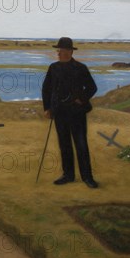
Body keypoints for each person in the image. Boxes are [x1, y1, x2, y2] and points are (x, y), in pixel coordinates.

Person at [42, 37, 98, 189]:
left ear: (71, 52)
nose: (61, 53)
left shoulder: (81, 68)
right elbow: (46, 89)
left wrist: (82, 98)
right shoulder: (53, 68)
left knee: (81, 144)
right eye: (59, 51)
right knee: (64, 145)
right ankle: (68, 175)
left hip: (77, 113)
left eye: (65, 51)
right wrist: (47, 108)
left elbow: (92, 87)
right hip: (59, 113)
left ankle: (87, 177)